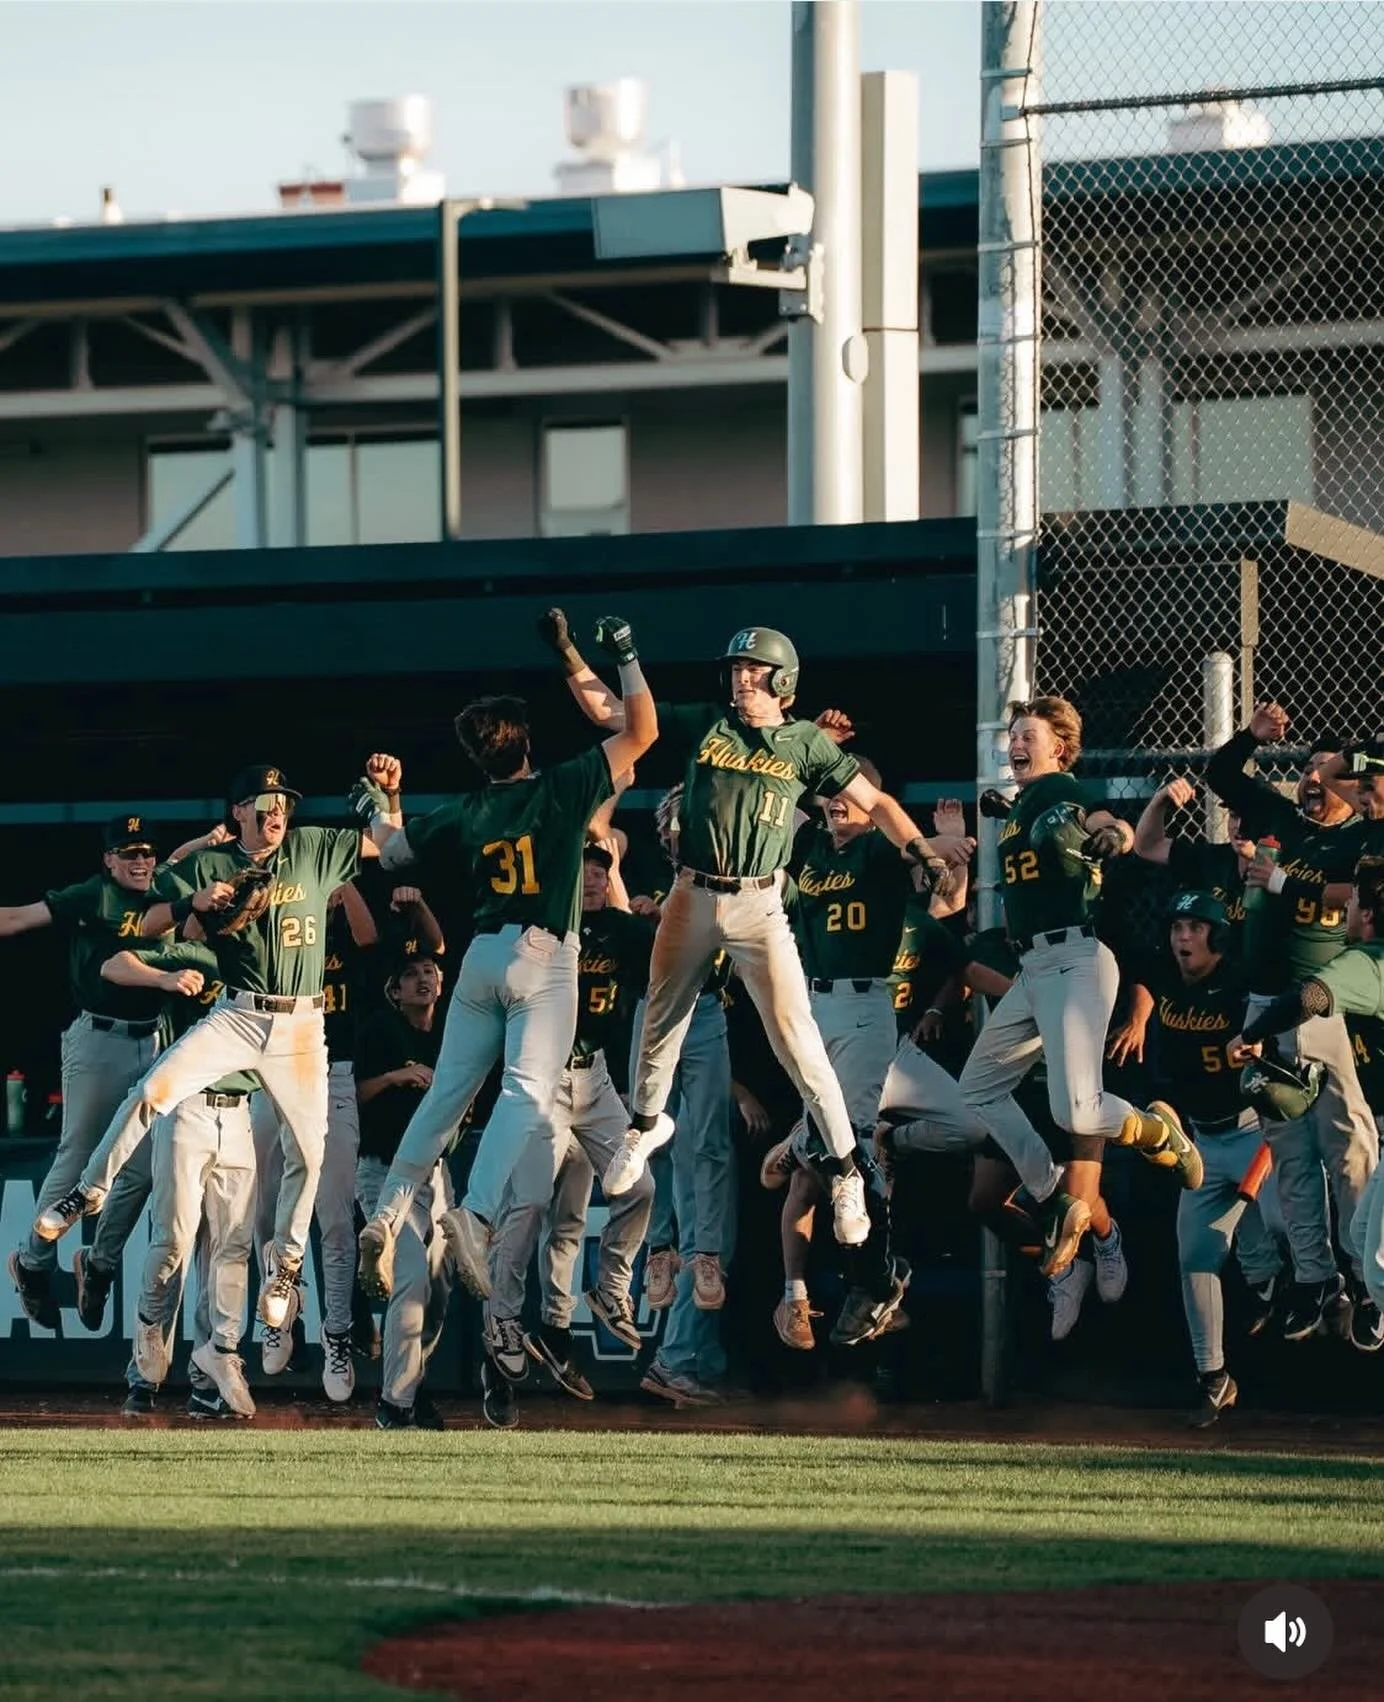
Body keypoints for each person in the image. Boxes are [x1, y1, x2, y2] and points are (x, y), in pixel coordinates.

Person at [546, 615, 972, 1248]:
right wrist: (578, 655)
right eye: (738, 669)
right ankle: (642, 1124)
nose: (743, 678)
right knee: (660, 1017)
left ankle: (848, 1170)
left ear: (785, 680)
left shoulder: (805, 742)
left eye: (756, 670)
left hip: (759, 901)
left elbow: (877, 803)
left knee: (797, 1042)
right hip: (692, 891)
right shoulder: (708, 723)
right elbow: (613, 712)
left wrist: (920, 849)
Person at [356, 613, 657, 1302]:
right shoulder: (562, 785)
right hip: (543, 954)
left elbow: (394, 850)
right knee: (524, 1094)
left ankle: (386, 1213)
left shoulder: (466, 808)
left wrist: (380, 803)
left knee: (445, 1098)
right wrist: (625, 656)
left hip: (480, 957)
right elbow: (642, 732)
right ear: (525, 744)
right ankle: (476, 1214)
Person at [36, 765, 378, 1333]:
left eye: (283, 802)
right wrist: (193, 903)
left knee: (310, 1152)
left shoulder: (312, 847)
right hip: (241, 1012)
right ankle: (86, 1193)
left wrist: (385, 800)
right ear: (238, 810)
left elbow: (390, 846)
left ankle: (287, 1267)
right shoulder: (209, 865)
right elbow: (145, 926)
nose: (276, 810)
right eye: (264, 801)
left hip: (301, 1027)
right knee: (152, 1089)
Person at [958, 696, 1204, 1281]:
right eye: (1013, 734)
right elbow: (1038, 826)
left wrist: (1116, 836)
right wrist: (1010, 805)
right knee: (977, 1088)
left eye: (1028, 735)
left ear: (1059, 749)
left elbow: (1101, 820)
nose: (1016, 743)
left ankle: (1155, 1128)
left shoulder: (1058, 789)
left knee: (1077, 1108)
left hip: (1075, 958)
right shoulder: (1026, 803)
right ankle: (1052, 1193)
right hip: (1035, 968)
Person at [1207, 703, 1378, 1341]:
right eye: (1302, 768)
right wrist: (1251, 737)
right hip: (1263, 1001)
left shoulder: (1359, 836)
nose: (1312, 779)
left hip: (1321, 1004)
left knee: (1345, 1145)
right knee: (1290, 1151)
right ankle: (1314, 1276)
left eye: (1323, 770)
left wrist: (1280, 881)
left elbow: (1352, 891)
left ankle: (1367, 1276)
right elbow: (1223, 776)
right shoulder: (1282, 818)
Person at [480, 842, 656, 1420]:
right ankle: (504, 1320)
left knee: (635, 1189)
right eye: (582, 872)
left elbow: (667, 956)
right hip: (542, 1081)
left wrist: (651, 906)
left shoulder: (620, 931)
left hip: (596, 1078)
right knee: (529, 1205)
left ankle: (604, 1293)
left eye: (600, 872)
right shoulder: (538, 933)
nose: (593, 880)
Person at [761, 761, 928, 1350]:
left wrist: (943, 847)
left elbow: (912, 838)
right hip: (811, 1004)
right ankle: (838, 1286)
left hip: (864, 1003)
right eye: (831, 793)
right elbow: (788, 788)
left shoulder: (880, 850)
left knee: (850, 1151)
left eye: (848, 795)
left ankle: (808, 1142)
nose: (837, 802)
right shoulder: (810, 845)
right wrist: (822, 750)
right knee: (827, 1171)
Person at [4, 814, 170, 1325]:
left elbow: (192, 861)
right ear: (109, 860)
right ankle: (33, 1261)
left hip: (153, 1040)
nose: (139, 861)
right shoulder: (93, 894)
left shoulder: (165, 891)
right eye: (128, 854)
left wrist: (211, 839)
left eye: (146, 853)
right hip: (100, 1038)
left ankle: (98, 1265)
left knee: (141, 1169)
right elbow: (16, 920)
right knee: (78, 1155)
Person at [97, 941, 259, 1419]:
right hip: (186, 1107)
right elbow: (113, 962)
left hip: (242, 1112)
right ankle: (145, 1370)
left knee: (232, 1245)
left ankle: (213, 1373)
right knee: (173, 1240)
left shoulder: (272, 965)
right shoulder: (195, 953)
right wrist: (163, 979)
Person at [1231, 855, 1384, 1354]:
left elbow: (1313, 993)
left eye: (1354, 903)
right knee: (1364, 1232)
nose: (1347, 911)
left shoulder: (1370, 962)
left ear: (1366, 916)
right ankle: (1328, 1281)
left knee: (1377, 1264)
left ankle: (1362, 1292)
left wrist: (1253, 1032)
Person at [1146, 892, 1286, 1425]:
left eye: (1195, 928)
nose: (1183, 937)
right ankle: (1213, 1377)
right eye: (1177, 927)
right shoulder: (1165, 980)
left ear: (1218, 936)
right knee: (1195, 1259)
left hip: (1256, 1131)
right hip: (1202, 1140)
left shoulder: (1242, 985)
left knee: (1272, 1224)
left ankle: (1286, 1289)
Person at [354, 951, 454, 1428]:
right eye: (410, 974)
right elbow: (355, 1095)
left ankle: (412, 1390)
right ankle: (394, 1403)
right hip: (383, 1170)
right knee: (411, 1278)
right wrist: (397, 1076)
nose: (422, 981)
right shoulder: (381, 1028)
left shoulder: (455, 1034)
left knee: (436, 1290)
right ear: (395, 989)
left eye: (428, 973)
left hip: (435, 1176)